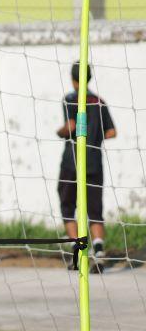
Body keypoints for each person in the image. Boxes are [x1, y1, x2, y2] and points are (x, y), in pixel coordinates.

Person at [57, 62, 117, 269]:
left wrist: (60, 132)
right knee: (95, 209)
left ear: (73, 79)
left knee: (67, 206)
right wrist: (94, 138)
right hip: (93, 162)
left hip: (72, 162)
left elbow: (71, 126)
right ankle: (98, 250)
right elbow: (111, 132)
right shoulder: (99, 102)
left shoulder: (71, 99)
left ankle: (77, 253)